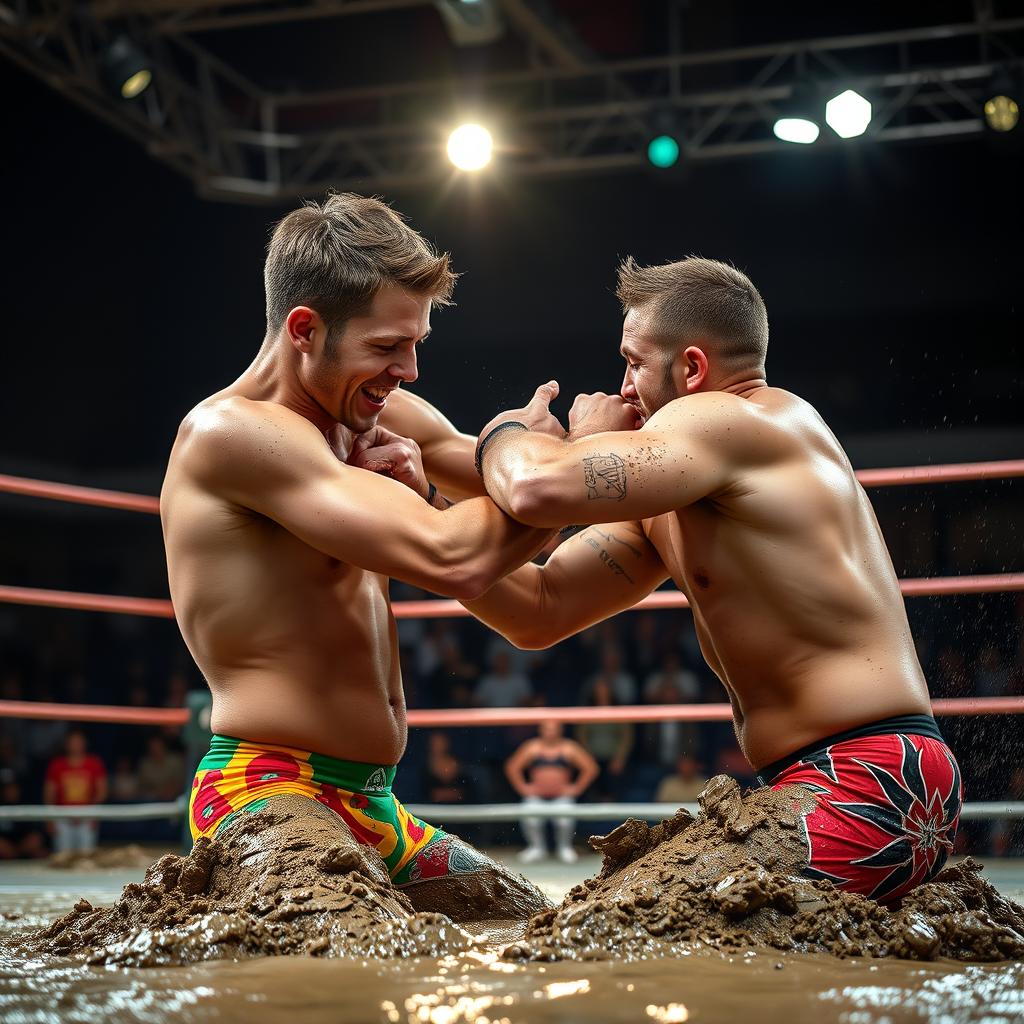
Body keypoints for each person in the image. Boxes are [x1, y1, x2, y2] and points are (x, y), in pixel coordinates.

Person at [465, 255, 963, 903]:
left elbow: (533, 486)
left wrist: (514, 431)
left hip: (867, 779)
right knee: (620, 916)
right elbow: (541, 608)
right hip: (832, 784)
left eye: (634, 363)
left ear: (693, 369)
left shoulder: (732, 418)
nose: (621, 388)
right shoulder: (679, 494)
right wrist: (420, 535)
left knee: (620, 924)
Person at [161, 193, 552, 920]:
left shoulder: (374, 412)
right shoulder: (234, 433)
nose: (408, 370)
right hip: (265, 793)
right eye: (384, 347)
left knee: (532, 925)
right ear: (305, 329)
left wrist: (639, 453)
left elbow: (508, 483)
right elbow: (461, 553)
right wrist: (536, 450)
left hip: (377, 804)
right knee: (353, 956)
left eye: (416, 344)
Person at [504, 721, 598, 863]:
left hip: (561, 797)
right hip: (536, 797)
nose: (551, 733)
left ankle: (564, 848)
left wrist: (576, 788)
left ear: (560, 731)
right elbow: (512, 767)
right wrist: (522, 787)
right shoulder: (532, 747)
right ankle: (536, 848)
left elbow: (591, 768)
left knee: (565, 820)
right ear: (541, 730)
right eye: (547, 729)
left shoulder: (569, 748)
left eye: (554, 730)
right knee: (530, 816)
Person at [43, 729, 108, 854]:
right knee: (63, 856)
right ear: (66, 744)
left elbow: (102, 792)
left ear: (84, 744)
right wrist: (49, 819)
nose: (76, 745)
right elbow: (49, 794)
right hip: (62, 816)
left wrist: (91, 812)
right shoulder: (57, 765)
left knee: (86, 855)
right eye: (73, 742)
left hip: (87, 816)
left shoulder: (94, 763)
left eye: (79, 742)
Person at [575, 679, 634, 802]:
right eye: (599, 690)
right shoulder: (588, 712)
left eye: (604, 690)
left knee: (615, 784)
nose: (602, 693)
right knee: (591, 782)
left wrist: (620, 758)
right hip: (592, 757)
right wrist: (587, 756)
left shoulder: (619, 712)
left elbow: (626, 736)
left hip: (614, 758)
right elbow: (581, 735)